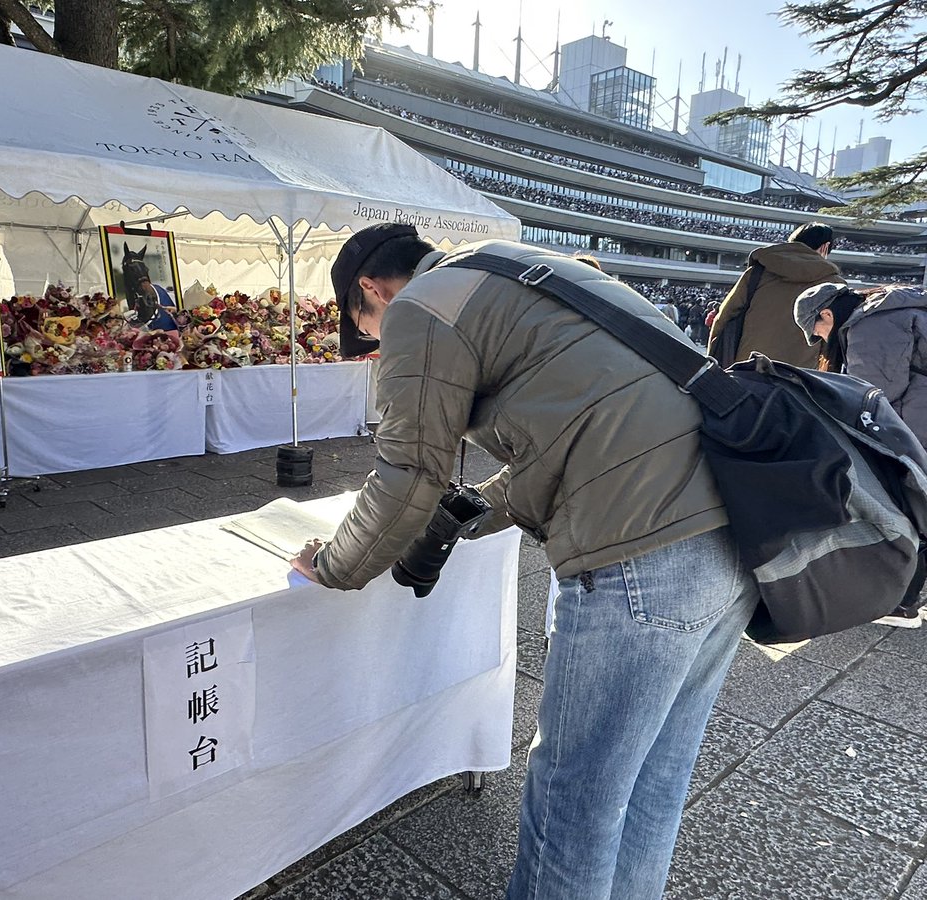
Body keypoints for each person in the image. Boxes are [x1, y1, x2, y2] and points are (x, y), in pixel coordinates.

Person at [291, 223, 758, 899]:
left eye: (365, 330)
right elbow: (577, 440)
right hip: (729, 534)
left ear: (372, 289)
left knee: (574, 802)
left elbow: (407, 472)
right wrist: (464, 515)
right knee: (652, 785)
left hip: (636, 549)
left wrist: (334, 563)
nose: (374, 344)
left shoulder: (421, 304)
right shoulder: (518, 269)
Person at [794, 281, 927, 627]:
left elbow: (873, 398)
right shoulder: (894, 308)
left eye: (816, 331)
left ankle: (902, 603)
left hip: (920, 424)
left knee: (911, 507)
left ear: (826, 314)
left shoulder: (870, 325)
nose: (821, 339)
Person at [708, 221, 844, 368]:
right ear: (825, 247)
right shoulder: (834, 284)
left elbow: (724, 317)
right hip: (801, 374)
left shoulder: (758, 272)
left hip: (748, 366)